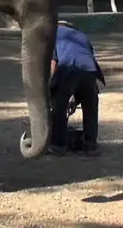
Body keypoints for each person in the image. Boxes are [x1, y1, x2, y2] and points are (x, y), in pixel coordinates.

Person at [48, 20, 106, 156]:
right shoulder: (81, 35)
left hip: (68, 68)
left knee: (59, 106)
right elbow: (87, 58)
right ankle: (91, 145)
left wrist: (50, 90)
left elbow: (53, 63)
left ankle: (58, 145)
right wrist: (76, 98)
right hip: (90, 70)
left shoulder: (53, 35)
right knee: (91, 105)